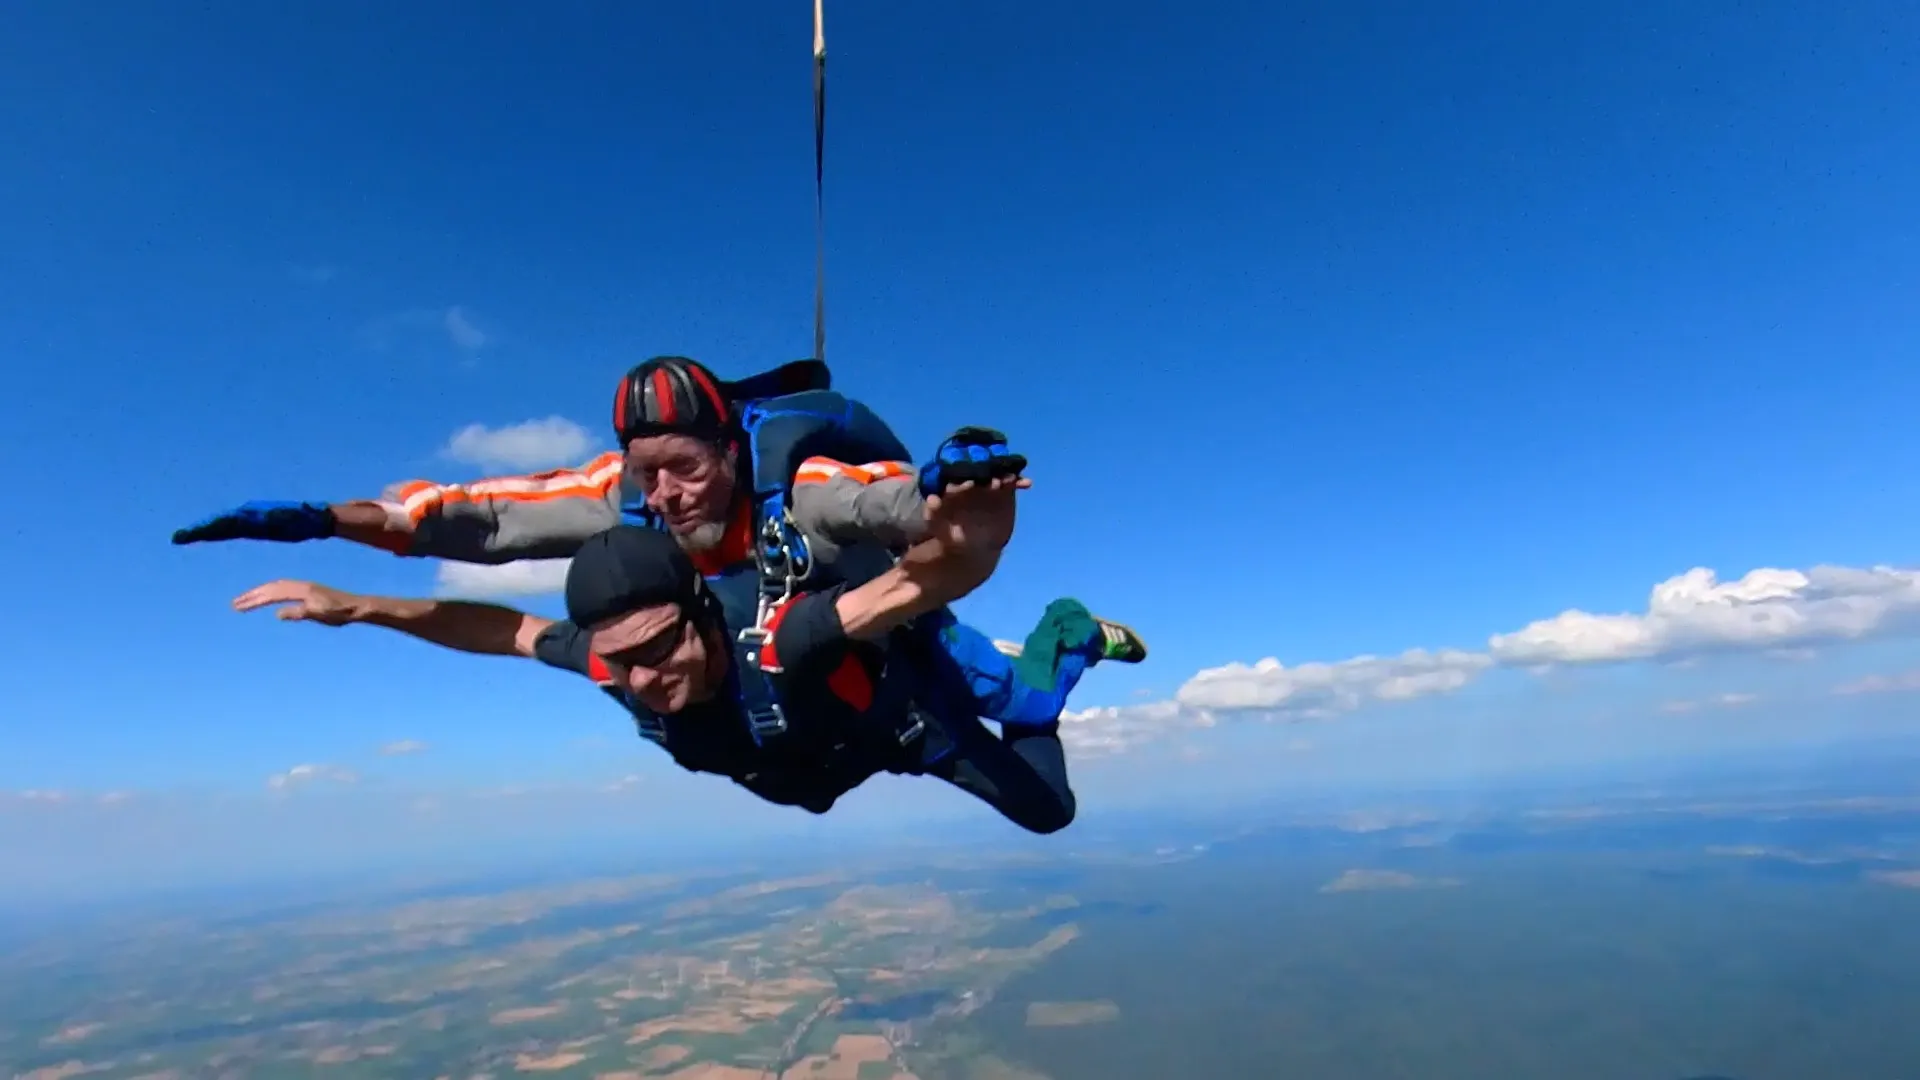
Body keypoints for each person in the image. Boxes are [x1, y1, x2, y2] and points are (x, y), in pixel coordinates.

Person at [234, 476, 1118, 833]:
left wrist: (974, 533)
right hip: (823, 754)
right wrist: (361, 609)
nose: (647, 682)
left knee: (1046, 791)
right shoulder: (618, 667)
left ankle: (1065, 633)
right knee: (802, 785)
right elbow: (501, 630)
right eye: (622, 663)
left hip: (904, 718)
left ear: (700, 613)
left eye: (660, 649)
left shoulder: (782, 637)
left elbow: (919, 583)